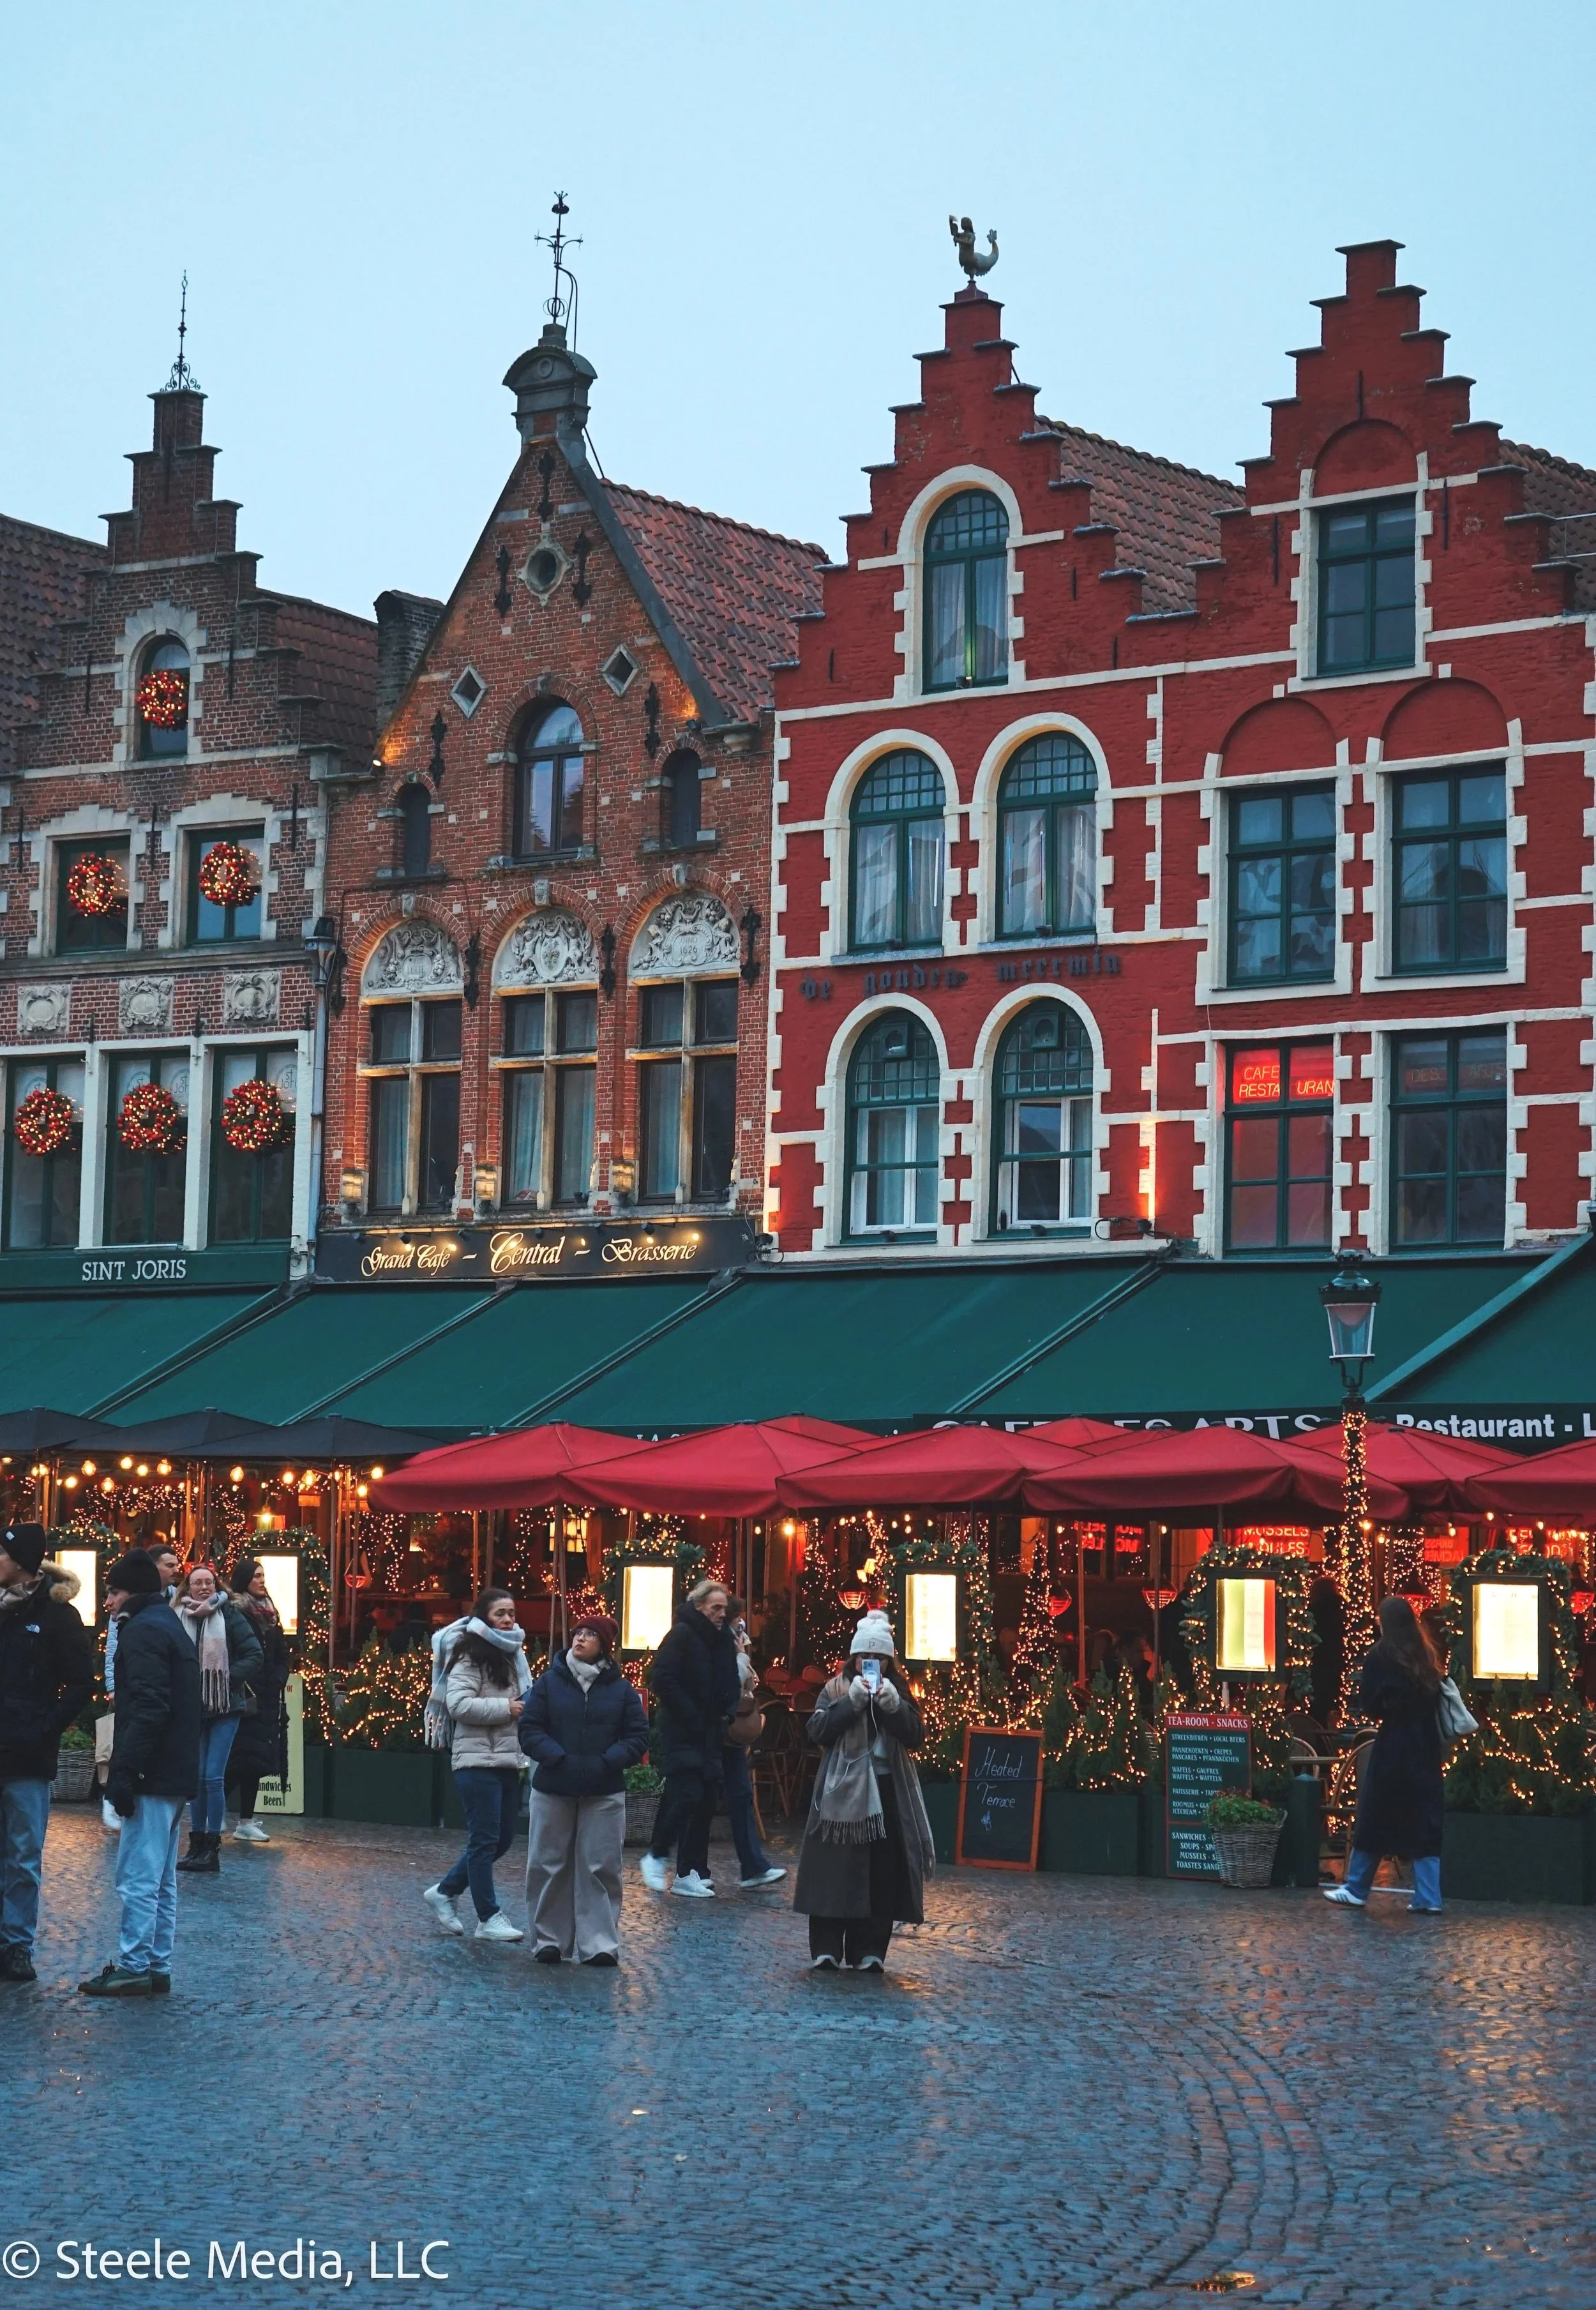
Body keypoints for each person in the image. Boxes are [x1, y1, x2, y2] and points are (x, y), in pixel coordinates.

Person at [80, 1550, 201, 1997]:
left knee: (138, 1876)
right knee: (162, 1878)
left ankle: (134, 1964)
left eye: (112, 1592)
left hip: (154, 1772)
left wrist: (125, 1773)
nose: (108, 1602)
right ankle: (155, 1963)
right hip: (174, 1771)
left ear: (129, 1592)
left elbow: (148, 1707)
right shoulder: (166, 1625)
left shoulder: (143, 1630)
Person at [794, 1610, 936, 1972]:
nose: (871, 1664)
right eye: (865, 1657)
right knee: (833, 1870)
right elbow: (818, 1730)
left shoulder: (899, 1691)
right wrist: (852, 1703)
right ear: (854, 1657)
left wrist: (893, 1707)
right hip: (841, 1790)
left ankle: (869, 1949)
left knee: (882, 1872)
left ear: (888, 1661)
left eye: (878, 1658)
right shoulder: (835, 1688)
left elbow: (916, 1735)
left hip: (888, 1788)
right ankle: (826, 1947)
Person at [519, 1612, 649, 1964]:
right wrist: (556, 1757)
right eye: (578, 1632)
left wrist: (607, 1762)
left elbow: (638, 1737)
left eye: (590, 1635)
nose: (580, 1638)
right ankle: (549, 1940)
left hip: (603, 1790)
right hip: (553, 1786)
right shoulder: (549, 1683)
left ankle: (600, 1944)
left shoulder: (622, 1691)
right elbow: (530, 1729)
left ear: (605, 1646)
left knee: (601, 1867)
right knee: (548, 1864)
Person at [0, 1523, 94, 1984]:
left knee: (22, 1853)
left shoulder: (58, 1616)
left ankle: (16, 1945)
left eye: (1, 1553)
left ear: (22, 1561)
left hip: (27, 1755)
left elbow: (82, 1682)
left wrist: (46, 1727)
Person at [421, 1587, 531, 1942]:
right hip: (475, 1760)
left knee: (500, 1841)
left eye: (511, 1613)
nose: (508, 1619)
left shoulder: (513, 1654)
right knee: (484, 1841)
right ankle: (488, 1917)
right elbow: (459, 1706)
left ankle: (444, 1891)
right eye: (500, 1613)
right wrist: (507, 1709)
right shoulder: (469, 1655)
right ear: (483, 1616)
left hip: (507, 1759)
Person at [1325, 1594, 1445, 1915]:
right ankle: (1429, 1896)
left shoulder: (1379, 1656)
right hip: (1426, 1746)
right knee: (1424, 1822)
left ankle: (1357, 1887)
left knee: (1376, 1816)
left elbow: (1370, 1706)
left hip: (1394, 1745)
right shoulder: (1426, 1653)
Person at [640, 1578, 739, 1898]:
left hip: (711, 1732)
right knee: (687, 1795)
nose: (722, 1614)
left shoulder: (723, 1638)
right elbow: (662, 1679)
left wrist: (728, 1712)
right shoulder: (682, 1634)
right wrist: (691, 1715)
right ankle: (656, 1854)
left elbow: (729, 1682)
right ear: (699, 1606)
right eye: (716, 1608)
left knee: (706, 1802)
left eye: (725, 1608)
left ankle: (689, 1872)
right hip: (682, 1731)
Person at [173, 1564, 263, 1875]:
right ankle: (196, 1845)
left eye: (208, 1583)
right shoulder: (179, 1617)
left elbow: (255, 1655)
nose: (203, 1588)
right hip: (193, 1709)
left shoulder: (230, 1616)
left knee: (213, 1777)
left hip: (226, 1705)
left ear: (217, 1586)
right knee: (196, 1778)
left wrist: (224, 1680)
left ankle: (211, 1848)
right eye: (197, 1583)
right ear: (188, 1588)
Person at [225, 1559, 292, 1843]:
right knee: (237, 1761)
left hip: (267, 1697)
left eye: (263, 1576)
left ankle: (246, 1820)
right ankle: (211, 1816)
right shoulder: (235, 1612)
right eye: (256, 1576)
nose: (262, 1581)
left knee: (257, 1763)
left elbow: (282, 1653)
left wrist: (278, 1679)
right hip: (246, 1695)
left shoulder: (271, 1614)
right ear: (244, 1580)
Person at [722, 1601, 785, 1891]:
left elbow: (746, 1684)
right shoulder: (709, 1646)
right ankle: (686, 1867)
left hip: (731, 1736)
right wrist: (738, 1660)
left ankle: (753, 1866)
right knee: (696, 1800)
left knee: (741, 1794)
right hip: (715, 1730)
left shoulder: (735, 1644)